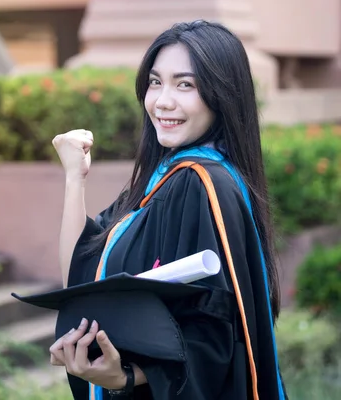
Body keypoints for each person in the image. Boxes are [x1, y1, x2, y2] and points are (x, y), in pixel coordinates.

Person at [48, 20, 288, 400]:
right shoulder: (163, 178)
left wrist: (127, 377)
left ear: (222, 94)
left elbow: (214, 332)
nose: (162, 101)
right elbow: (80, 278)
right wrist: (74, 178)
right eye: (156, 82)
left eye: (185, 84)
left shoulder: (200, 183)